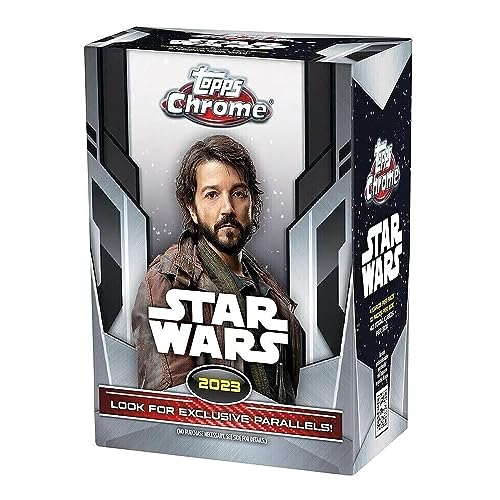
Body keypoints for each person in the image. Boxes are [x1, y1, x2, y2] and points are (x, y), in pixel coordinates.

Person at [132, 135, 304, 404]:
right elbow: (170, 405)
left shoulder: (272, 294)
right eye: (212, 194)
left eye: (238, 193)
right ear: (192, 208)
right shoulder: (169, 281)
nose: (227, 208)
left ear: (252, 202)